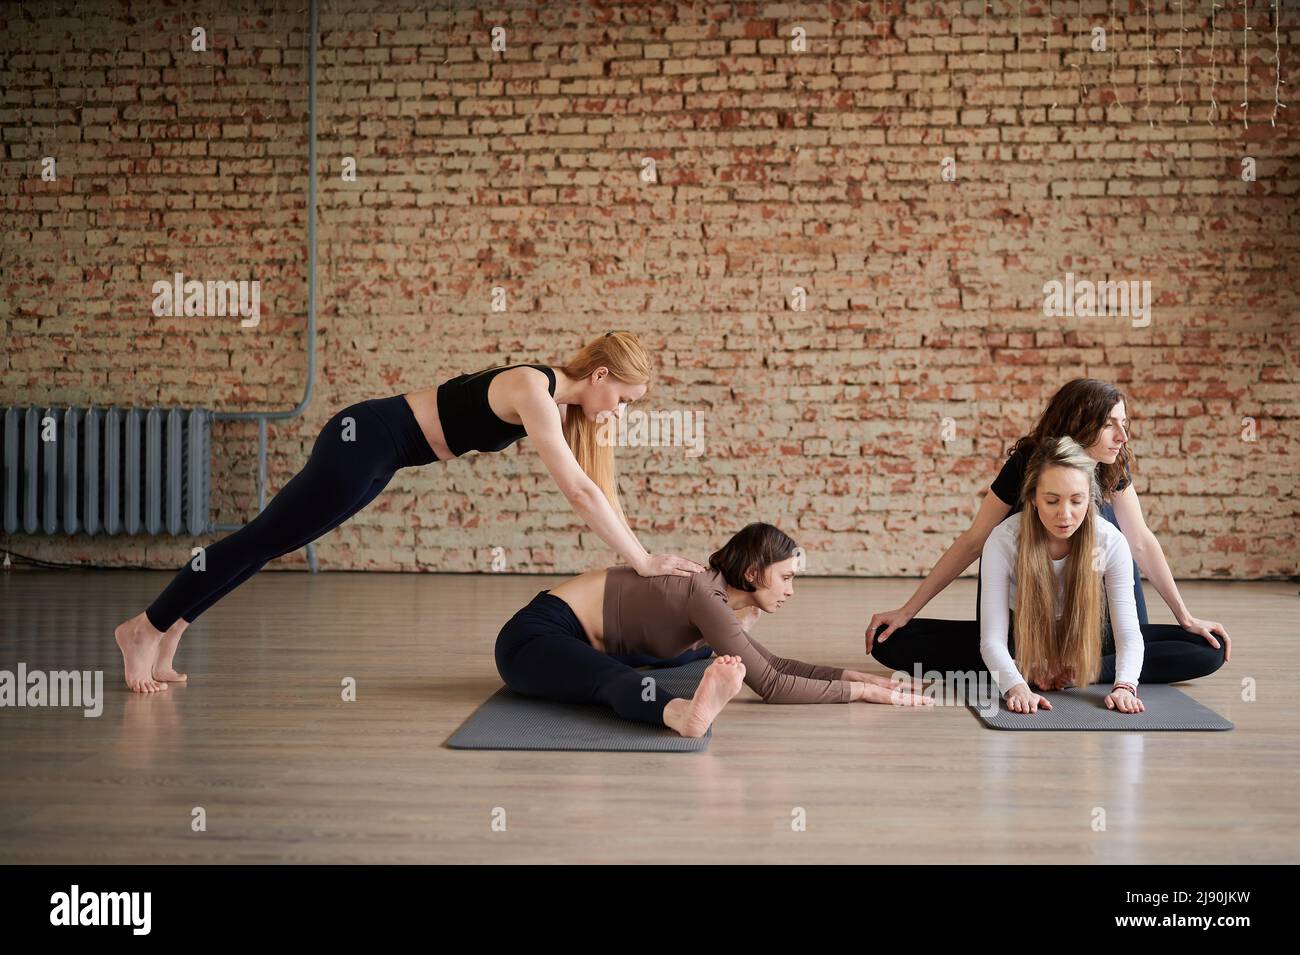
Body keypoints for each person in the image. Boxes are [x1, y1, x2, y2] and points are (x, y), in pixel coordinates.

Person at [115, 331, 705, 692]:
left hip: (383, 454)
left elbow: (593, 487)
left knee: (269, 543)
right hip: (365, 440)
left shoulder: (553, 398)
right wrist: (644, 560)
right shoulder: (534, 389)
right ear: (601, 376)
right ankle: (144, 626)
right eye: (624, 400)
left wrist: (642, 554)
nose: (621, 412)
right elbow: (579, 491)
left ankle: (173, 628)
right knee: (262, 537)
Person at [496, 523, 932, 738]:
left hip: (592, 644)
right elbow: (773, 685)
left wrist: (851, 675)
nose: (792, 591)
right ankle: (683, 715)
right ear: (752, 573)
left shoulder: (718, 600)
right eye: (786, 578)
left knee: (693, 652)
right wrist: (861, 695)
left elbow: (772, 664)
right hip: (534, 640)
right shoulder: (706, 596)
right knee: (623, 681)